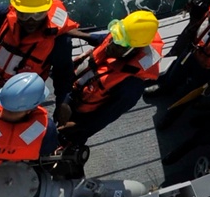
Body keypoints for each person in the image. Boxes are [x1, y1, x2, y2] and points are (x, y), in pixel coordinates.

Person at [57, 10, 163, 144]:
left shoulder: (131, 86)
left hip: (84, 115)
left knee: (70, 139)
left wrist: (78, 126)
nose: (110, 44)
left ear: (134, 50)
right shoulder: (123, 38)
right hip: (72, 92)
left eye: (118, 43)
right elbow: (103, 40)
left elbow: (107, 115)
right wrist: (77, 34)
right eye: (114, 36)